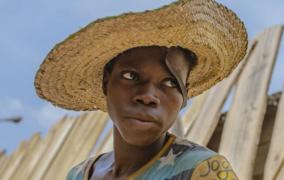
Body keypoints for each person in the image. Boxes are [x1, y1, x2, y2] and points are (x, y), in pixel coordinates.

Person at [34, 0, 248, 179]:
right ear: (106, 82)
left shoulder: (200, 170)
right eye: (131, 76)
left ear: (184, 95)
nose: (148, 96)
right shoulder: (79, 175)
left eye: (171, 83)